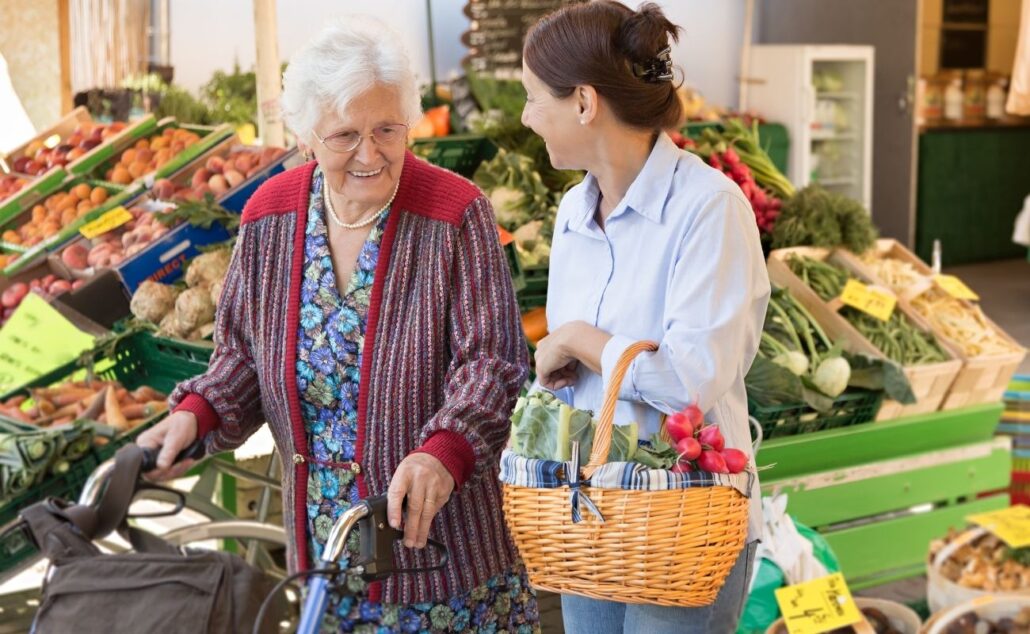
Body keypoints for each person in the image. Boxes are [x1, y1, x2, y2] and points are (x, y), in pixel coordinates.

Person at [138, 16, 540, 633]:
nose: (370, 153)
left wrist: (443, 453)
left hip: (445, 564)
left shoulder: (455, 213)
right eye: (345, 135)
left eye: (387, 129)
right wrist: (198, 414)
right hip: (325, 561)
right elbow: (242, 356)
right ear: (305, 139)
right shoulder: (269, 216)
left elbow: (492, 362)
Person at [520, 3, 770, 633]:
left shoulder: (707, 210)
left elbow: (685, 385)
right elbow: (576, 382)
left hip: (682, 526)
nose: (526, 118)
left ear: (583, 103)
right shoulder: (573, 216)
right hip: (593, 518)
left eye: (531, 97)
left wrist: (578, 339)